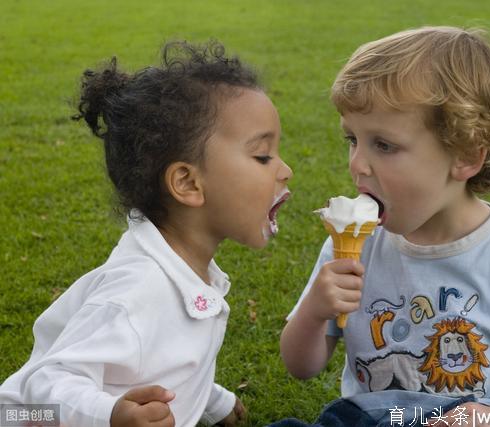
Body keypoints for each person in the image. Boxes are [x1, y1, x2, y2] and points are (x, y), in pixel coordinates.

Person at [276, 26, 490, 426]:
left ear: (464, 157)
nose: (357, 163)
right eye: (352, 139)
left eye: (384, 145)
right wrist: (313, 312)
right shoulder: (359, 247)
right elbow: (301, 366)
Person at [0, 41, 292, 427]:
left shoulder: (185, 270)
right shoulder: (137, 292)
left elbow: (168, 354)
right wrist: (111, 415)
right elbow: (44, 389)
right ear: (187, 183)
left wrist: (211, 400)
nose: (284, 169)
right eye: (262, 156)